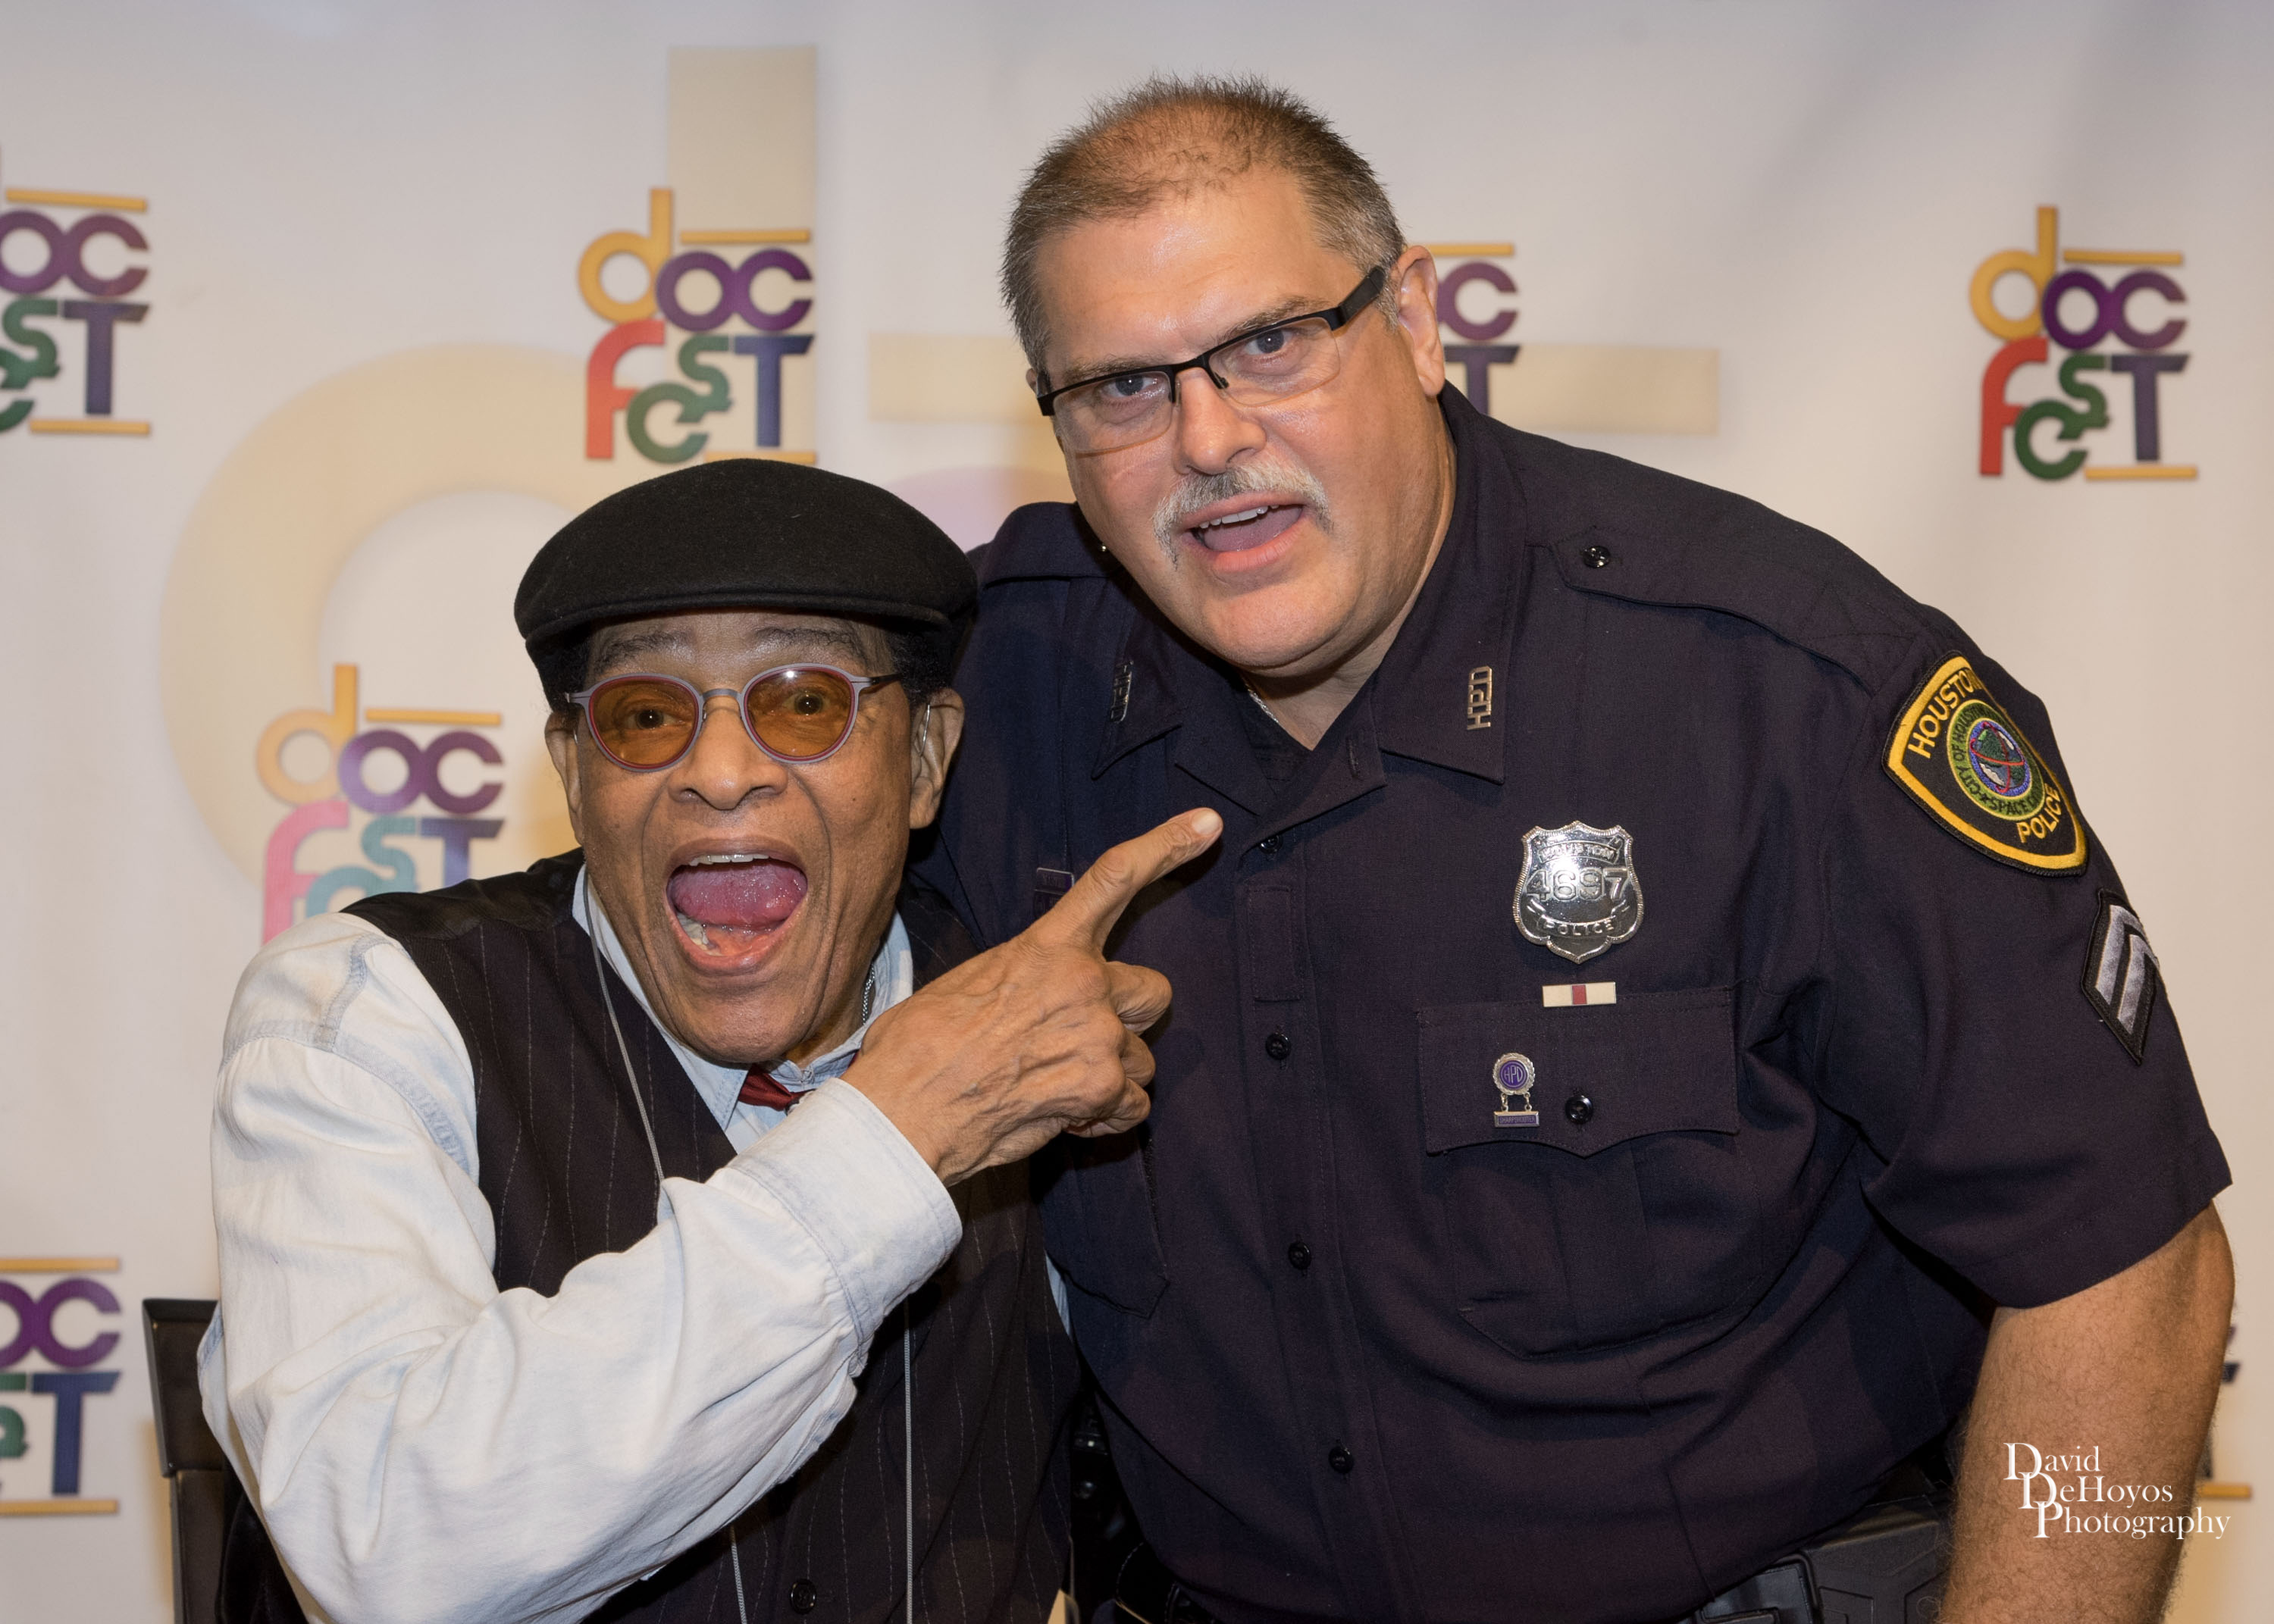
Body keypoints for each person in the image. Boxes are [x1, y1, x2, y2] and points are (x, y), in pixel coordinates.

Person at [915, 77, 2234, 1624]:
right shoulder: (978, 700)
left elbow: (2132, 1272)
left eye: (1272, 342)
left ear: (1417, 322)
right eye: (1124, 388)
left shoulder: (1786, 696)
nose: (1209, 438)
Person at [199, 459, 1221, 1624]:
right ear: (572, 770)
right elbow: (385, 1548)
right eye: (646, 715)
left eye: (805, 702)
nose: (722, 774)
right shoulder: (369, 1009)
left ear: (927, 759)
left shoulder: (1041, 1027)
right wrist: (892, 1139)